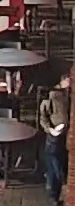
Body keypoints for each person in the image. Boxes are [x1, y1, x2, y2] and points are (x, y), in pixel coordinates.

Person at [42, 74, 69, 205]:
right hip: (54, 136)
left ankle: (55, 196)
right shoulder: (52, 96)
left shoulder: (66, 95)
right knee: (55, 167)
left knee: (58, 165)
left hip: (64, 135)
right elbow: (43, 116)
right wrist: (50, 129)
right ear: (63, 81)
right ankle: (53, 196)